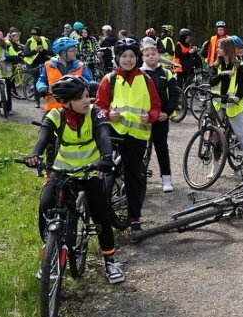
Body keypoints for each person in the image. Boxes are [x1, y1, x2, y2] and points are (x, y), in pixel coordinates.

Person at [25, 75, 124, 284]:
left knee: (100, 215)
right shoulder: (56, 115)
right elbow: (44, 136)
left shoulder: (95, 113)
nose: (87, 101)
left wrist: (106, 158)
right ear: (66, 102)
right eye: (81, 98)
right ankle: (50, 253)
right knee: (46, 204)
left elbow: (103, 135)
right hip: (63, 172)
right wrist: (35, 155)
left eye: (88, 96)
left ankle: (110, 261)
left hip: (90, 171)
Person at [94, 38, 162, 232]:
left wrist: (150, 116)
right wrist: (108, 114)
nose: (128, 59)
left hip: (137, 136)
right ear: (118, 58)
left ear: (137, 58)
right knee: (103, 170)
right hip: (114, 133)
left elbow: (156, 106)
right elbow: (99, 106)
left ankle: (134, 218)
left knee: (134, 176)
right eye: (124, 56)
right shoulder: (110, 79)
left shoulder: (146, 79)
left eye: (132, 56)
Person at [208, 37, 243, 175]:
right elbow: (211, 82)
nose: (217, 49)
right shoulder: (216, 65)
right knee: (216, 136)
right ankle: (215, 164)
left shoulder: (239, 66)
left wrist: (237, 97)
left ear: (227, 50)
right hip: (219, 104)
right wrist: (222, 74)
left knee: (242, 134)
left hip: (234, 105)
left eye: (220, 47)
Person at [141, 43, 180, 192]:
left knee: (161, 148)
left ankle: (166, 178)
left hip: (161, 117)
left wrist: (168, 112)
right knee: (140, 149)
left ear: (159, 56)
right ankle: (139, 178)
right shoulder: (139, 73)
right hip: (143, 118)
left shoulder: (166, 73)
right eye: (147, 55)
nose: (151, 57)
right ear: (143, 58)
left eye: (153, 54)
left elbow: (174, 94)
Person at [36, 37, 95, 112]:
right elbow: (41, 81)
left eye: (75, 50)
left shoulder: (81, 66)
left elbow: (89, 81)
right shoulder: (49, 65)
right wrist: (42, 88)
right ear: (63, 53)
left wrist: (94, 86)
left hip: (75, 109)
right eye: (73, 50)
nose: (75, 52)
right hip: (53, 110)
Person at [23, 27, 52, 108]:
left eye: (35, 34)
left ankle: (48, 100)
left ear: (39, 34)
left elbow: (52, 52)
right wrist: (34, 51)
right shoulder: (29, 41)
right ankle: (37, 101)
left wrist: (44, 50)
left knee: (48, 82)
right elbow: (25, 53)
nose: (33, 36)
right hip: (35, 65)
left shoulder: (46, 40)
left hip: (46, 64)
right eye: (32, 34)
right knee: (37, 82)